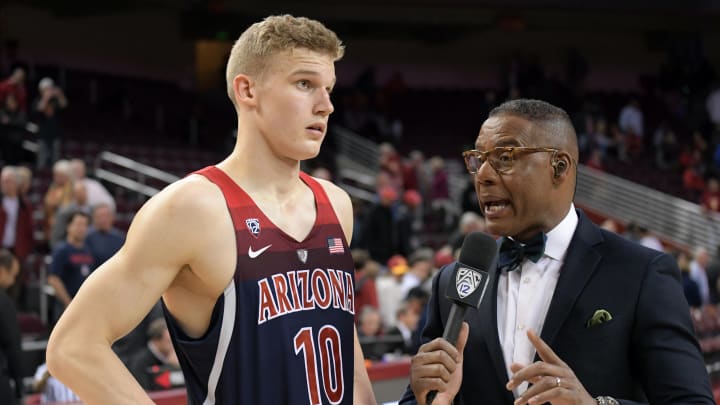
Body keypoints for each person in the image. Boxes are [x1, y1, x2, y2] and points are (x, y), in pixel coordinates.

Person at [47, 14, 376, 405]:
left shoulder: (336, 204)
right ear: (247, 90)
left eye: (329, 89)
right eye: (305, 84)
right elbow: (73, 347)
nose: (326, 106)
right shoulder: (192, 208)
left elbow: (342, 347)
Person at [401, 99, 713, 405]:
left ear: (559, 167)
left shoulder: (642, 272)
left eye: (505, 157)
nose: (482, 174)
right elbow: (422, 400)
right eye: (477, 159)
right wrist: (423, 398)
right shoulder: (451, 282)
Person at [127, 318, 180, 392]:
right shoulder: (140, 362)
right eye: (169, 341)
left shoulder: (175, 357)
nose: (173, 345)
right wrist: (169, 366)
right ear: (156, 341)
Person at [0, 249, 22, 405]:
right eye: (12, 275)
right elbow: (12, 344)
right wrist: (19, 382)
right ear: (1, 271)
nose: (13, 282)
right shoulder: (3, 302)